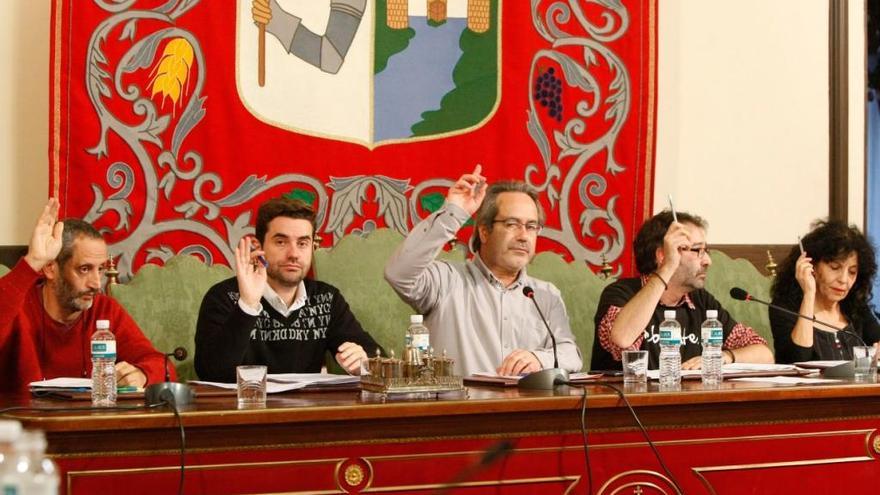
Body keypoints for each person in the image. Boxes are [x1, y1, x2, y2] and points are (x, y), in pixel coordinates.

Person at [384, 165, 583, 376]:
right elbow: (398, 274)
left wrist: (538, 358)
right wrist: (454, 212)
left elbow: (570, 354)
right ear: (485, 232)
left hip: (525, 407)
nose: (524, 236)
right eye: (512, 224)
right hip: (460, 407)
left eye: (531, 226)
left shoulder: (545, 294)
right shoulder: (446, 281)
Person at [195, 197, 382, 382]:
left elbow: (376, 357)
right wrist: (248, 305)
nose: (293, 254)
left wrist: (364, 363)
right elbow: (211, 373)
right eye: (281, 242)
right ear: (259, 247)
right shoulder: (223, 297)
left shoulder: (326, 299)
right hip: (245, 410)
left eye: (302, 243)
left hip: (306, 410)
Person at [0, 199, 170, 392]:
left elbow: (163, 367)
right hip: (25, 421)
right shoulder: (18, 305)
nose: (96, 283)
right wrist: (32, 262)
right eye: (84, 269)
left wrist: (142, 374)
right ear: (50, 268)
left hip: (90, 421)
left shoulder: (105, 309)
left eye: (101, 270)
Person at [591, 210, 773, 371]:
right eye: (697, 250)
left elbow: (764, 354)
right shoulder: (621, 293)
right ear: (662, 255)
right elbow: (622, 340)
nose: (708, 260)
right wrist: (667, 268)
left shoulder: (700, 301)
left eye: (705, 250)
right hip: (631, 406)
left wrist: (725, 357)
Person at [770, 220, 880, 362]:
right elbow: (798, 360)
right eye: (834, 267)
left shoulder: (855, 307)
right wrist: (809, 295)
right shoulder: (784, 308)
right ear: (811, 265)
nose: (844, 280)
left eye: (852, 272)